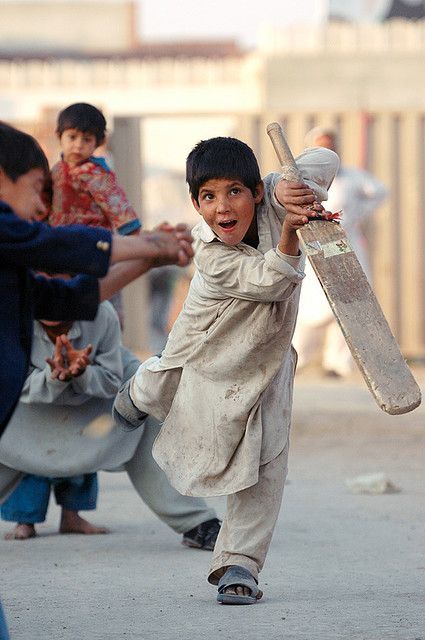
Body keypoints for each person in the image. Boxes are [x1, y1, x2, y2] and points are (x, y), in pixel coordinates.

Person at [113, 136, 339, 605]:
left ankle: (239, 563)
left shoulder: (276, 200)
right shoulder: (212, 255)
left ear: (255, 192)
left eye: (234, 191)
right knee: (167, 375)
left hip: (267, 361)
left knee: (267, 460)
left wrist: (284, 190)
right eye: (209, 197)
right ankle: (137, 394)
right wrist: (289, 234)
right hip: (206, 344)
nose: (223, 207)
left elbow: (325, 160)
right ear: (195, 205)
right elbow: (271, 282)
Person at [0, 120, 192, 639]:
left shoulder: (14, 267)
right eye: (38, 192)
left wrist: (152, 255)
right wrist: (146, 240)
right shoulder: (10, 233)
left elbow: (72, 296)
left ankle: (192, 517)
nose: (43, 208)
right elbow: (58, 245)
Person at [293, 126, 388, 377]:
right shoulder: (301, 179)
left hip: (345, 243)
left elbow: (379, 192)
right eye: (321, 145)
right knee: (308, 303)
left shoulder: (352, 177)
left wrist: (355, 215)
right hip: (313, 245)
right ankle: (299, 358)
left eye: (330, 144)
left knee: (348, 299)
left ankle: (337, 364)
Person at [41, 102, 142, 326]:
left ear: (98, 142)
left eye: (86, 139)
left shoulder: (96, 173)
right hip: (60, 247)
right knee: (67, 305)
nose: (78, 145)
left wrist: (133, 236)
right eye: (72, 137)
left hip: (93, 246)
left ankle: (110, 340)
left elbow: (116, 203)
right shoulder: (56, 170)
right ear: (60, 136)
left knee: (104, 299)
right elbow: (43, 203)